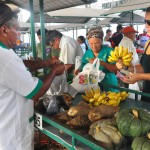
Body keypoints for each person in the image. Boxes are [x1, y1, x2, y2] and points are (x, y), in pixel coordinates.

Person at [0, 3, 65, 150]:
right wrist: (54, 70)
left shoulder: (5, 54)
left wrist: (46, 62)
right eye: (16, 29)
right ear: (4, 29)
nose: (19, 34)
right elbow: (37, 92)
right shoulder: (5, 58)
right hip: (12, 136)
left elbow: (20, 65)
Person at [116, 6, 150, 103]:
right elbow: (144, 68)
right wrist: (126, 67)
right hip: (146, 95)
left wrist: (140, 77)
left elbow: (142, 74)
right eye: (145, 21)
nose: (146, 26)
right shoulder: (148, 43)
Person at [79, 27, 118, 92]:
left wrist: (101, 62)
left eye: (97, 43)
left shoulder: (110, 51)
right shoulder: (87, 53)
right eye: (91, 43)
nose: (94, 46)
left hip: (109, 85)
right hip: (92, 86)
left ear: (102, 41)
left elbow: (115, 69)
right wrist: (78, 71)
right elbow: (83, 69)